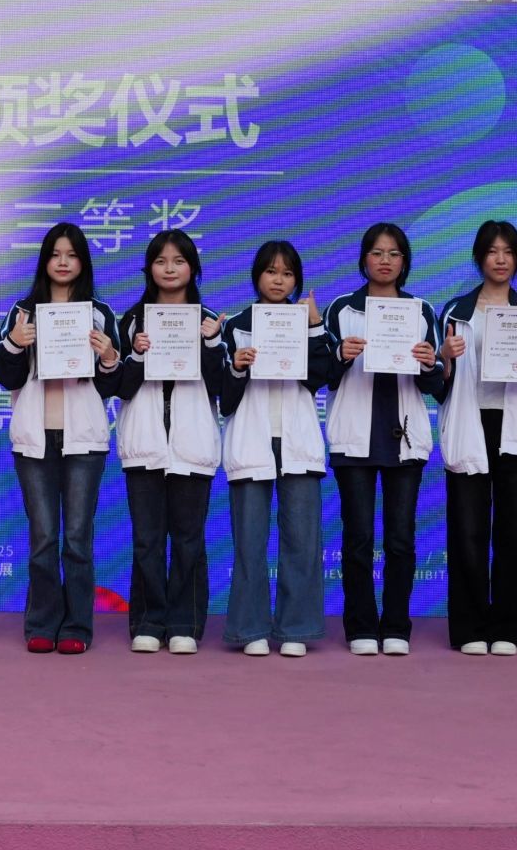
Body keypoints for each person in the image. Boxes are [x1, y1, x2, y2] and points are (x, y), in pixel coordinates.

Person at [0, 222, 124, 655]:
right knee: (44, 537)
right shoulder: (23, 311)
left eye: (71, 254)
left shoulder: (99, 313)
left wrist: (108, 357)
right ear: (44, 260)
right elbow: (5, 377)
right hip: (35, 438)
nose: (63, 262)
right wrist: (15, 343)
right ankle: (41, 624)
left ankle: (77, 627)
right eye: (55, 254)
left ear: (83, 261)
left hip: (83, 440)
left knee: (78, 539)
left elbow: (113, 385)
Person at [435, 219, 517, 656]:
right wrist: (445, 360)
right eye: (492, 251)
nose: (501, 259)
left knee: (516, 532)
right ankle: (469, 627)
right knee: (467, 531)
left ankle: (509, 627)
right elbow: (437, 384)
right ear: (479, 258)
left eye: (508, 252)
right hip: (470, 425)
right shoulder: (455, 312)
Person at [322, 223, 443, 656]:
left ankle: (396, 627)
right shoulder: (342, 309)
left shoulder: (421, 311)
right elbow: (320, 374)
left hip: (404, 440)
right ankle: (360, 627)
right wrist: (340, 355)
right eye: (377, 252)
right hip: (354, 438)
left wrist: (429, 363)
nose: (385, 260)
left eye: (393, 253)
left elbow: (437, 384)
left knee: (400, 540)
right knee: (357, 540)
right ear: (364, 259)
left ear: (404, 261)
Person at [114, 231, 228, 655]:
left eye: (179, 261)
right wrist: (137, 354)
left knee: (188, 539)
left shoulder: (209, 321)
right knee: (146, 540)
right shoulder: (132, 320)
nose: (169, 268)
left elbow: (222, 388)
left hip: (191, 443)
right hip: (144, 443)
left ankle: (185, 624)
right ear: (149, 268)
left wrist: (211, 344)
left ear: (193, 268)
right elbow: (120, 387)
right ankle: (148, 621)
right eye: (161, 261)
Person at [220, 241, 332, 658]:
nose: (278, 280)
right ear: (257, 277)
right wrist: (237, 367)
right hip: (252, 439)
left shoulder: (308, 323)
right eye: (271, 271)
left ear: (296, 280)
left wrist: (315, 327)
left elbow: (322, 376)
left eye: (286, 273)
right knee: (249, 540)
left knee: (301, 539)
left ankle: (296, 628)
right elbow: (224, 399)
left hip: (297, 440)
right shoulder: (236, 326)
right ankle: (249, 628)